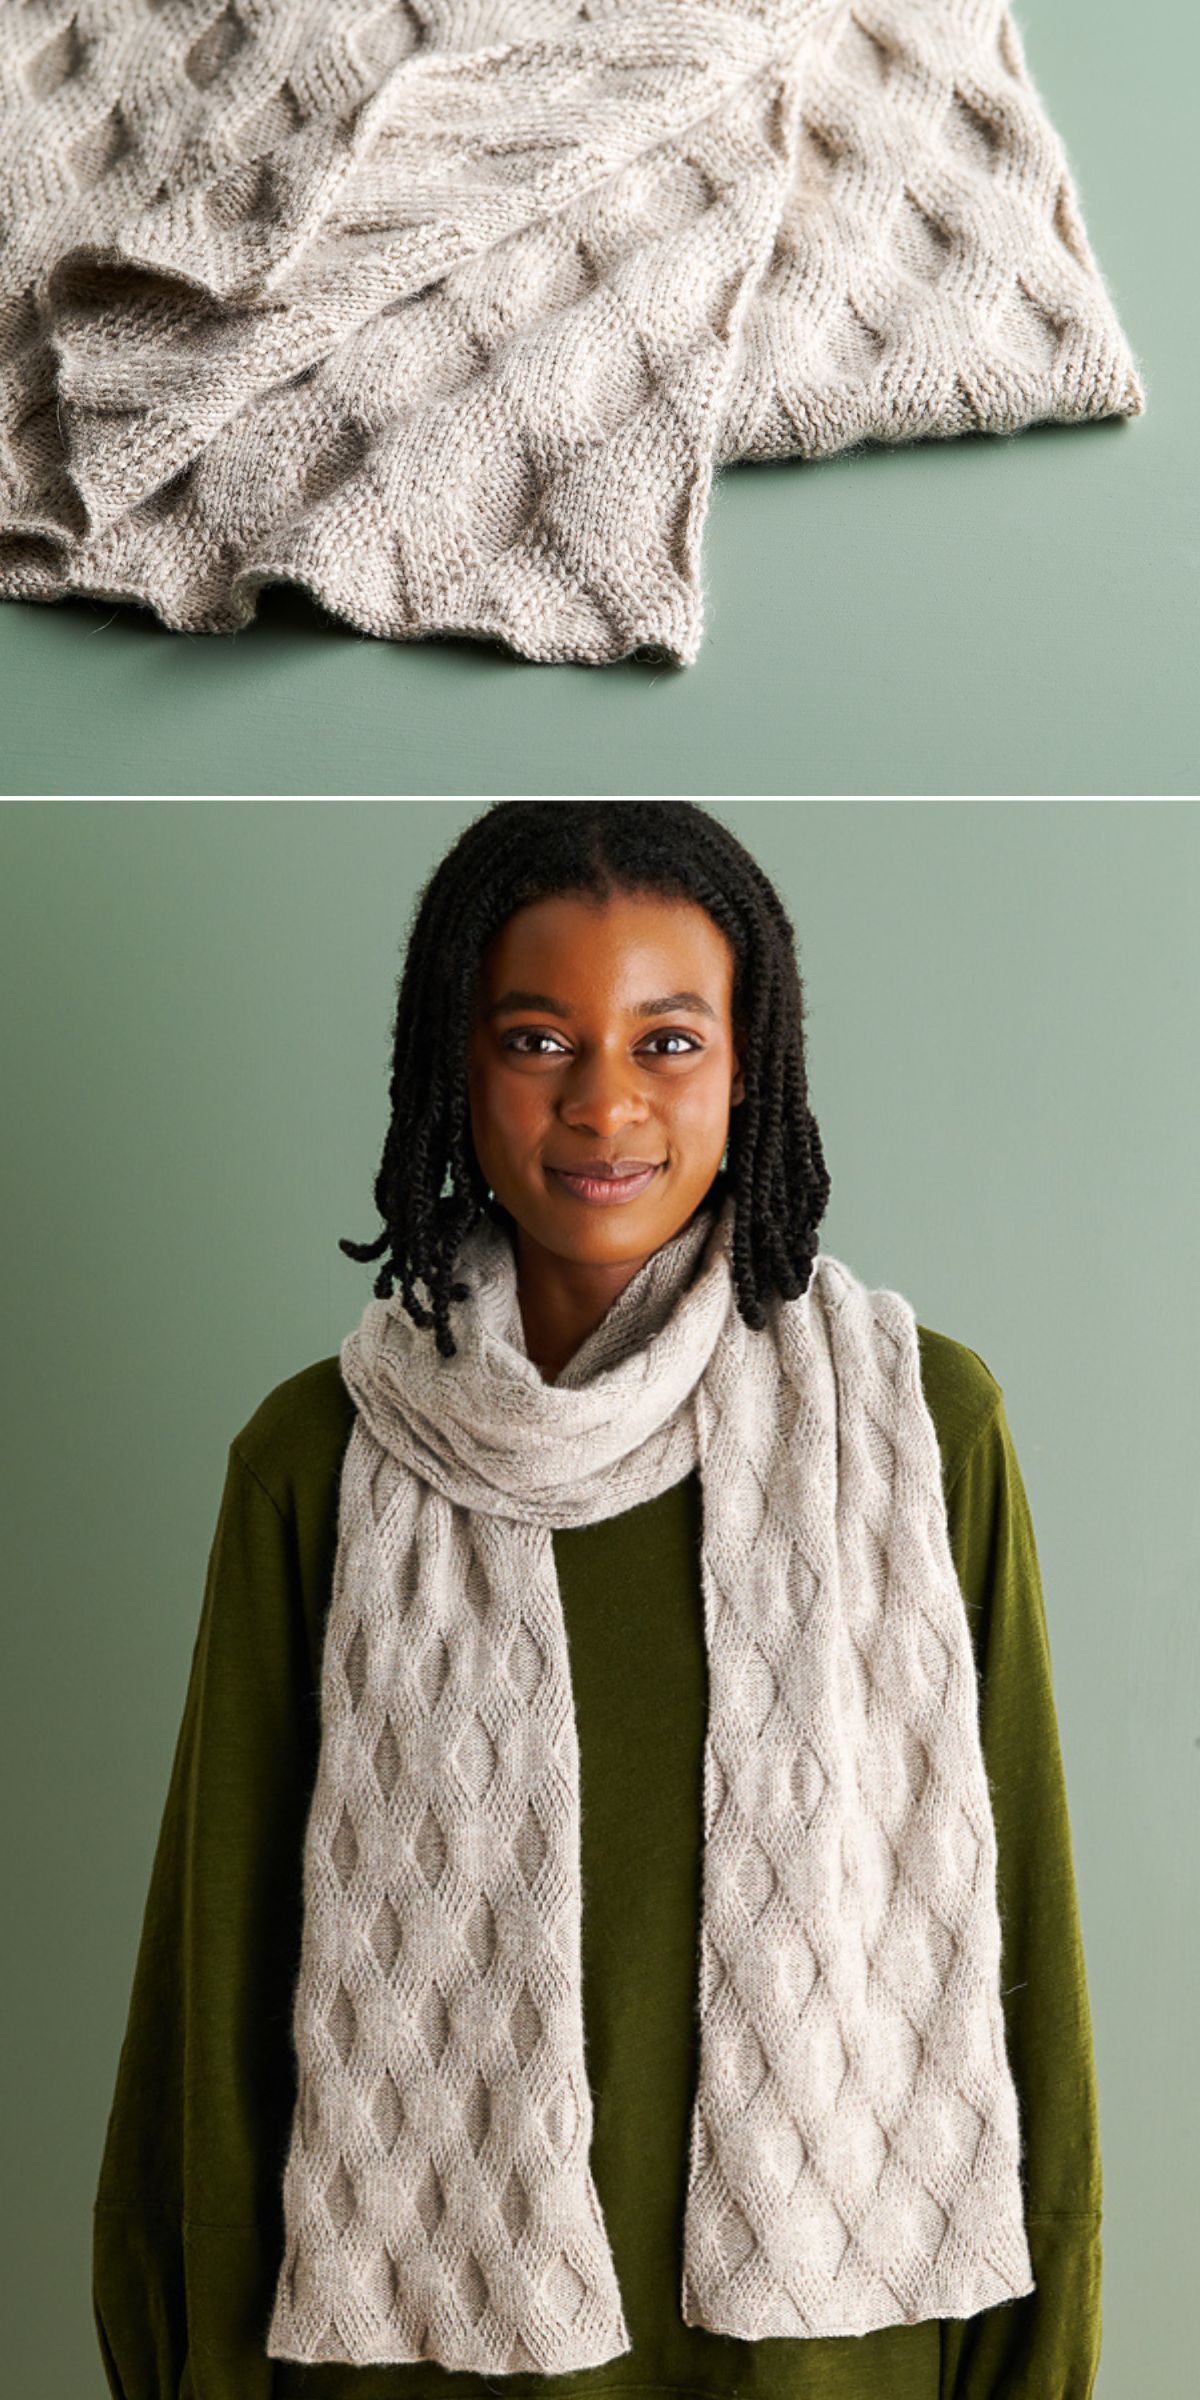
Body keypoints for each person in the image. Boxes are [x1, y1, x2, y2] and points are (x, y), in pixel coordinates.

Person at [92, 801, 1103, 2400]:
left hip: (831, 2361)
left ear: (750, 1062)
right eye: (540, 1037)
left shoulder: (918, 1432)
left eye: (670, 1040)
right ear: (455, 1067)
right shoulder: (318, 1460)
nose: (605, 1103)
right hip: (412, 2360)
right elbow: (212, 2000)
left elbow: (1021, 1940)